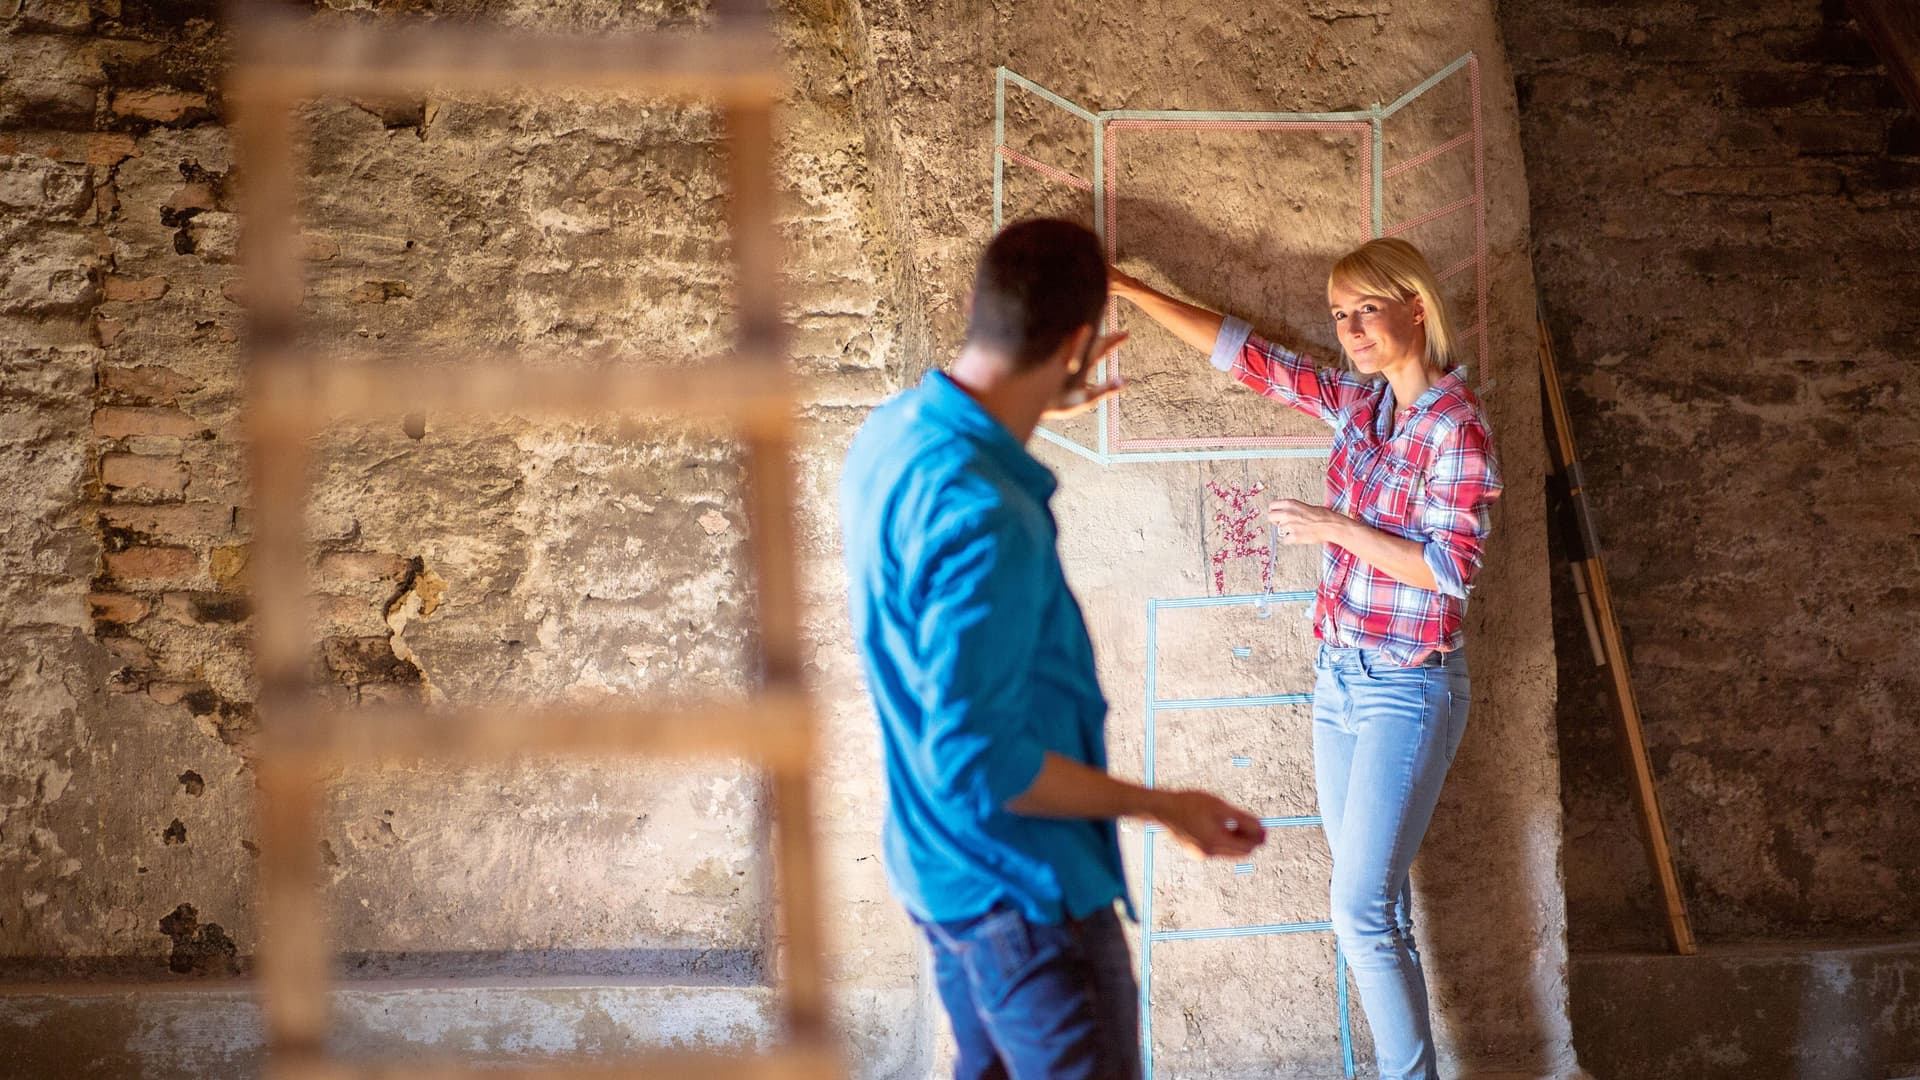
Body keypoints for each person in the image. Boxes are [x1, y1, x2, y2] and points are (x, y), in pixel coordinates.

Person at [840, 217, 1267, 1080]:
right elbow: (979, 761)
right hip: (1023, 898)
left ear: (979, 306)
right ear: (1079, 343)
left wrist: (1032, 401)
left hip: (941, 874)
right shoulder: (990, 517)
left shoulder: (891, 433)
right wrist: (1162, 805)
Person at [1110, 238, 1502, 1080]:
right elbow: (1246, 356)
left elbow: (1450, 571)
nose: (1351, 329)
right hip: (1339, 682)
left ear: (1416, 308)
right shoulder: (1361, 408)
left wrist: (1339, 530)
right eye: (1339, 315)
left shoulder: (1456, 427)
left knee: (1358, 911)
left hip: (1410, 685)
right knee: (1379, 907)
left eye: (1367, 309)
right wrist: (1129, 290)